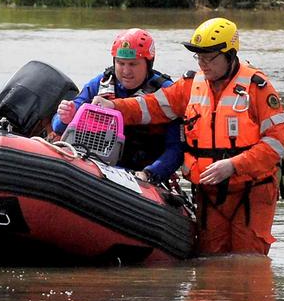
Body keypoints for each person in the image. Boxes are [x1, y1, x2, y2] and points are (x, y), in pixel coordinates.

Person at [92, 17, 284, 256]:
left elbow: (277, 143)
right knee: (209, 258)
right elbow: (151, 107)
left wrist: (233, 165)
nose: (203, 64)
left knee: (247, 258)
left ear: (229, 54)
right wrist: (116, 108)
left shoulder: (257, 87)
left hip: (252, 189)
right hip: (209, 190)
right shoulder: (190, 85)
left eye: (209, 57)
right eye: (199, 57)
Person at [51, 28, 184, 184]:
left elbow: (176, 149)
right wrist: (66, 116)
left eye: (133, 64)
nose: (126, 71)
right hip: (98, 169)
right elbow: (58, 126)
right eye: (120, 63)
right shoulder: (101, 84)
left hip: (142, 175)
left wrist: (150, 173)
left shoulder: (168, 92)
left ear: (148, 64)